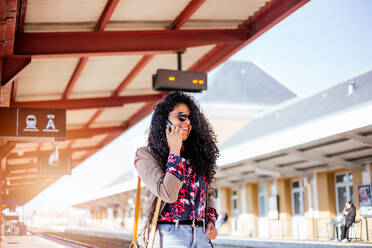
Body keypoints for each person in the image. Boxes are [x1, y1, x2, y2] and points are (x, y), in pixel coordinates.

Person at [135, 92, 220, 248]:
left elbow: (208, 191)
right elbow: (168, 194)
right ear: (164, 121)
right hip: (169, 236)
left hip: (201, 236)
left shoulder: (198, 155)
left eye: (189, 118)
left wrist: (211, 220)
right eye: (181, 117)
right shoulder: (146, 155)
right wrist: (175, 152)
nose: (186, 121)